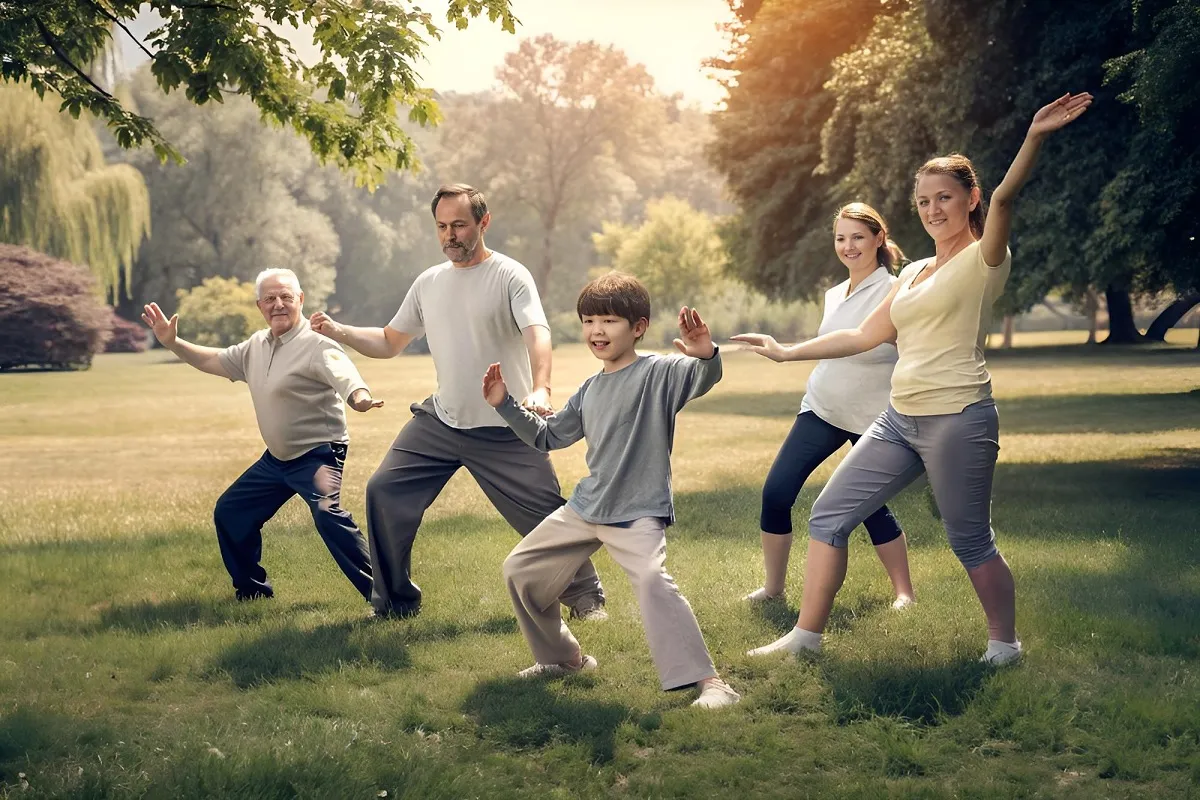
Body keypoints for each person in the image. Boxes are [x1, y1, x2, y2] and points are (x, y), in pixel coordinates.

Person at [734, 92, 1093, 665]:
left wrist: (1034, 136)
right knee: (829, 516)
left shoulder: (985, 258)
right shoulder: (917, 270)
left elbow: (1004, 198)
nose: (932, 209)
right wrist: (786, 351)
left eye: (944, 198)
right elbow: (861, 335)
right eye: (923, 200)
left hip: (958, 417)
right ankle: (805, 638)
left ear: (968, 200)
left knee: (969, 538)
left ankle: (1005, 644)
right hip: (900, 418)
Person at [310, 184, 606, 620]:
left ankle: (585, 597)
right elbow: (391, 341)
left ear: (483, 223)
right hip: (442, 422)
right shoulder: (429, 283)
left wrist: (541, 388)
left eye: (459, 225)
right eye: (442, 226)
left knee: (545, 514)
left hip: (506, 427)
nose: (450, 235)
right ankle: (393, 603)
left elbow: (536, 333)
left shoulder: (510, 275)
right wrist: (341, 331)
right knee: (384, 490)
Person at [484, 272, 740, 709]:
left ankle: (712, 684)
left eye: (608, 321)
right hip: (587, 507)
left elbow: (702, 375)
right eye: (588, 321)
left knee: (653, 580)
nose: (596, 331)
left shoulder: (659, 372)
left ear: (637, 327)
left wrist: (707, 355)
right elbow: (550, 437)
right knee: (520, 570)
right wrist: (505, 405)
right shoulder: (590, 388)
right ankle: (563, 660)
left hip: (637, 510)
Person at [140, 268, 381, 602]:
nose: (278, 304)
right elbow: (213, 360)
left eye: (285, 296)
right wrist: (173, 343)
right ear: (260, 306)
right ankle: (252, 592)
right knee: (230, 512)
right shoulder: (257, 345)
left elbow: (345, 375)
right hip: (277, 461)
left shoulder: (317, 344)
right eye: (270, 298)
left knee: (328, 514)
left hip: (318, 455)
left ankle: (385, 595)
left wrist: (360, 398)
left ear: (300, 300)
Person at [743, 203, 914, 609]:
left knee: (870, 507)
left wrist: (786, 352)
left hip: (873, 417)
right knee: (777, 493)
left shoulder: (895, 290)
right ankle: (773, 588)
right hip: (821, 407)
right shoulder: (834, 293)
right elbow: (833, 344)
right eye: (841, 238)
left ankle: (904, 594)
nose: (848, 246)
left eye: (858, 237)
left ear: (878, 239)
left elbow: (863, 338)